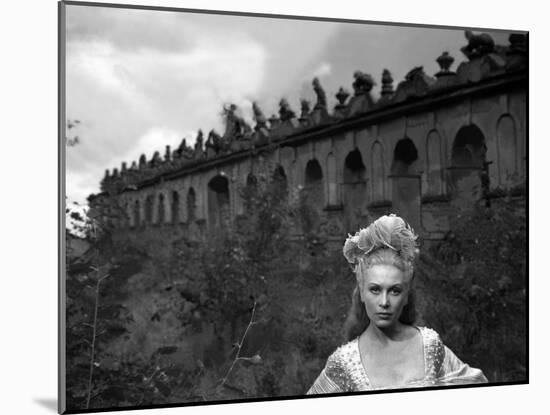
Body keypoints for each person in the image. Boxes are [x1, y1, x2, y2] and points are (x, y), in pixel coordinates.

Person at [307, 214, 487, 393]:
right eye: (375, 290)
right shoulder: (343, 364)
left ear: (406, 296)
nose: (384, 302)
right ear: (361, 292)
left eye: (394, 291)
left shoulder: (429, 346)